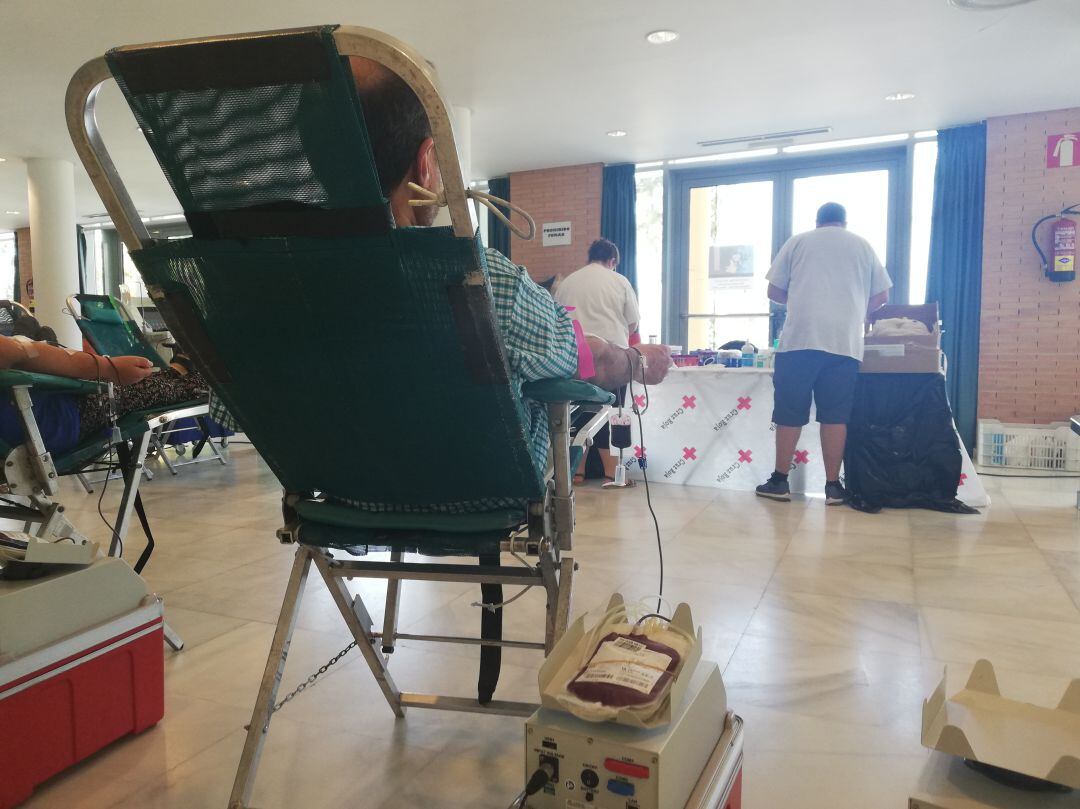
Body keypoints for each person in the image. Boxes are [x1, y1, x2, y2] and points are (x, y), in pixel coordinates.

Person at [350, 58, 670, 478]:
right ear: (427, 163)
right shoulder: (485, 283)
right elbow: (587, 360)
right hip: (480, 489)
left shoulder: (266, 292)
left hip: (342, 487)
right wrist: (634, 361)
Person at [755, 202, 891, 505]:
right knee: (836, 416)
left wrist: (801, 299)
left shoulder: (799, 241)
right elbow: (882, 295)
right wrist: (853, 308)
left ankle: (779, 481)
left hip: (800, 341)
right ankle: (832, 486)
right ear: (844, 221)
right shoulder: (863, 245)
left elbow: (773, 291)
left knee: (790, 413)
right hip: (844, 344)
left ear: (818, 221)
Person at [0, 334, 209, 454]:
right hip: (56, 420)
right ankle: (197, 380)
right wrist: (109, 367)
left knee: (137, 385)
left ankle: (178, 371)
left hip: (42, 420)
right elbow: (23, 353)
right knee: (142, 390)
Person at [554, 239, 640, 349]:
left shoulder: (565, 283)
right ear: (612, 262)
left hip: (574, 356)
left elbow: (557, 322)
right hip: (613, 356)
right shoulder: (621, 281)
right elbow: (633, 323)